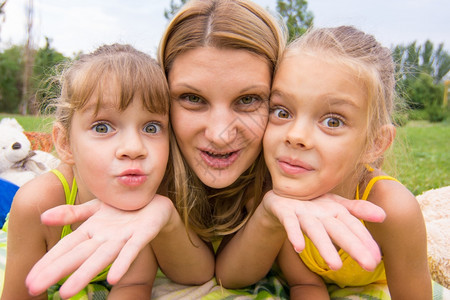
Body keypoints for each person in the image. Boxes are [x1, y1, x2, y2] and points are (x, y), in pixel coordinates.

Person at [26, 1, 386, 297]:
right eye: (192, 98)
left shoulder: (291, 168)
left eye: (248, 99)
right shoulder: (139, 167)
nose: (219, 134)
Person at [2, 44, 214, 299]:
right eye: (102, 128)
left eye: (152, 128)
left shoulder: (150, 194)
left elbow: (136, 285)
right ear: (65, 143)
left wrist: (167, 217)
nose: (134, 148)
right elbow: (19, 293)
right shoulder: (37, 204)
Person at [261, 26, 431, 299]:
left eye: (332, 121)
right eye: (282, 111)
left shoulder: (393, 211)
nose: (295, 136)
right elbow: (305, 284)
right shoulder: (278, 196)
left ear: (375, 143)